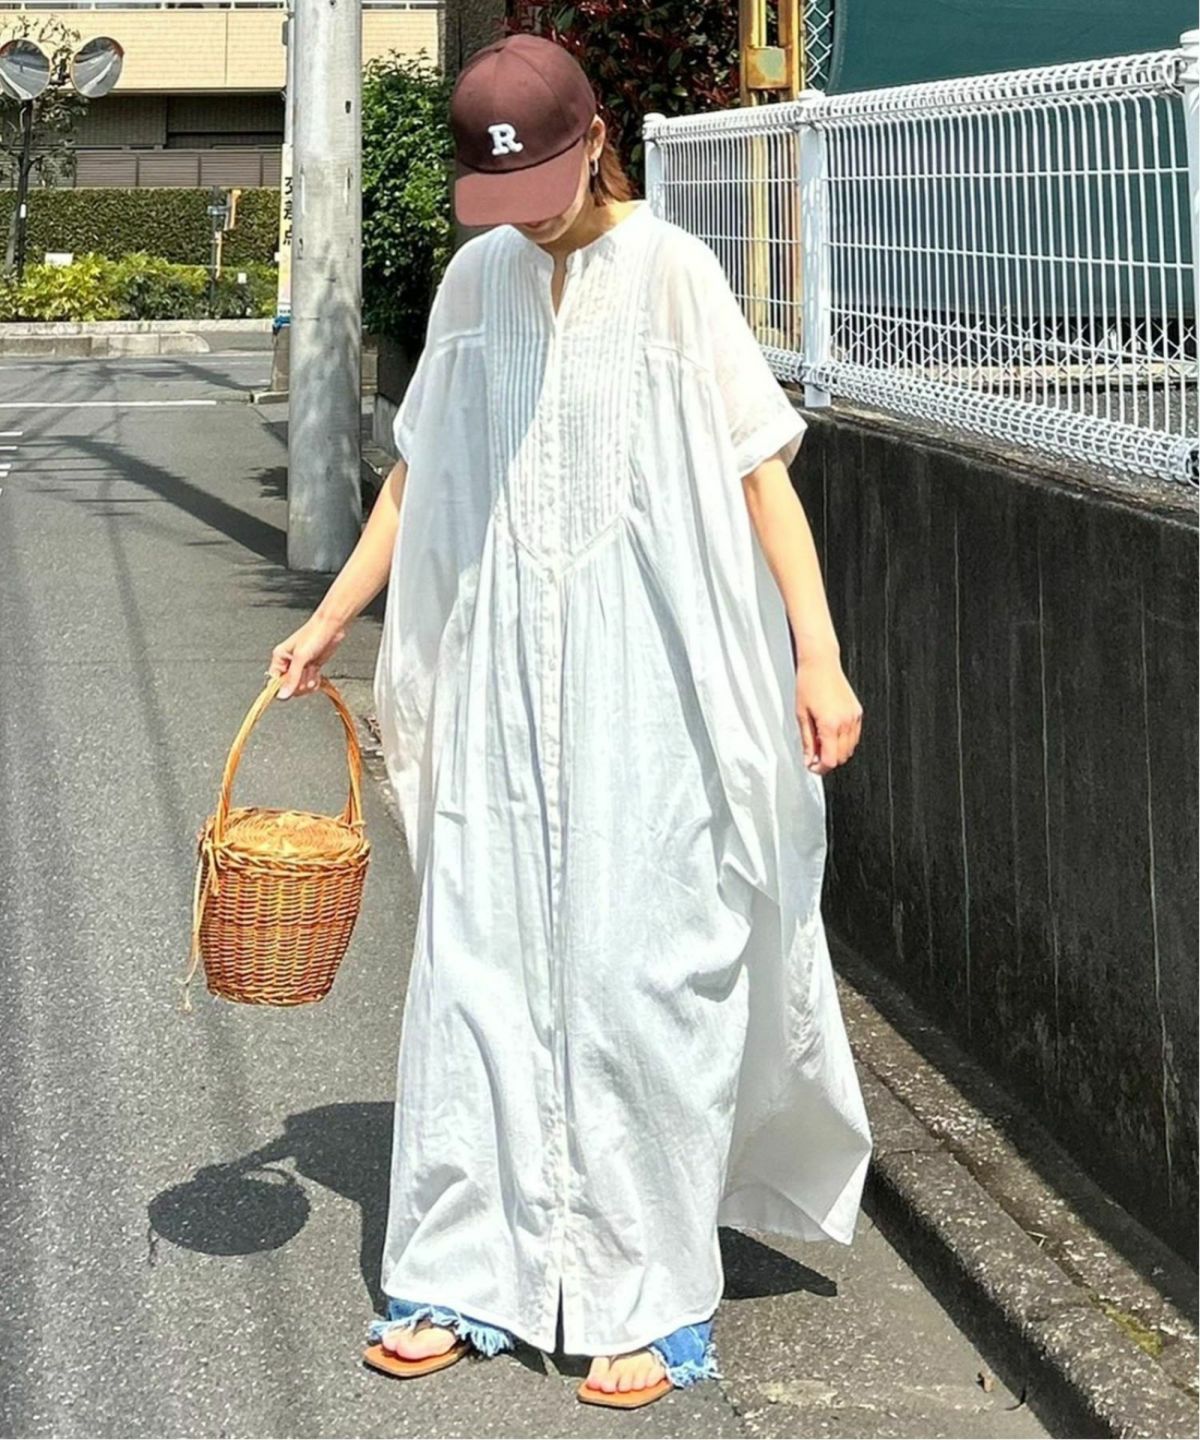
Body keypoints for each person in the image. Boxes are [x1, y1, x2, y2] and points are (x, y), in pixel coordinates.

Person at [268, 31, 873, 1412]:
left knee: (643, 974)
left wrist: (819, 655)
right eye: (502, 194)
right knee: (477, 961)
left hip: (650, 682)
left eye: (540, 183)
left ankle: (647, 1291)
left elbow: (761, 474)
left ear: (594, 137)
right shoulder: (478, 279)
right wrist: (334, 615)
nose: (526, 217)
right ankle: (461, 1269)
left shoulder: (674, 274)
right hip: (499, 676)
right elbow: (419, 475)